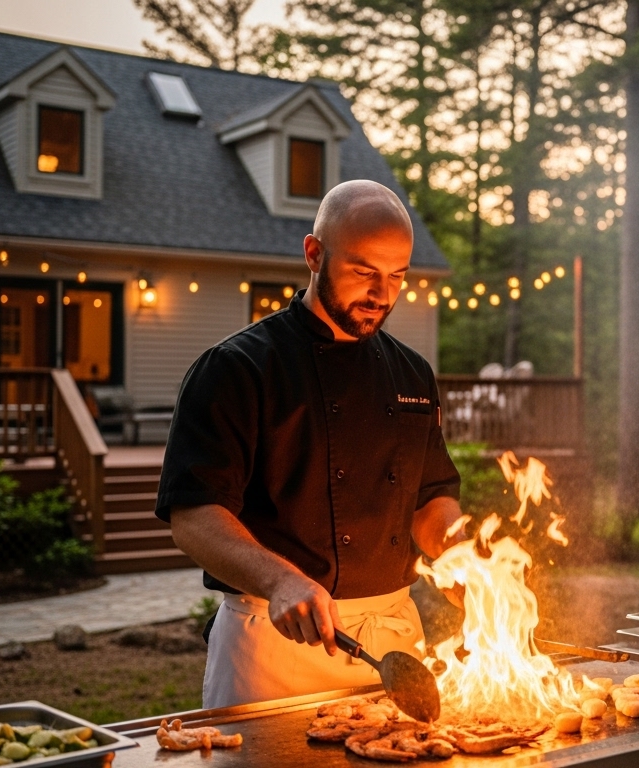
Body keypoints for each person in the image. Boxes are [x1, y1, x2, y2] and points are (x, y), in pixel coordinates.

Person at [156, 180, 465, 709]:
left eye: (397, 277)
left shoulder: (413, 374)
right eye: (365, 272)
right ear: (314, 254)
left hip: (393, 644)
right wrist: (280, 581)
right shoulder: (237, 369)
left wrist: (468, 558)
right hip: (273, 651)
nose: (382, 294)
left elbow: (430, 500)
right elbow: (194, 516)